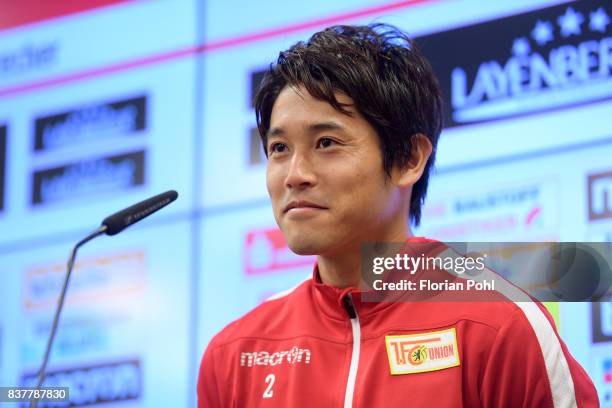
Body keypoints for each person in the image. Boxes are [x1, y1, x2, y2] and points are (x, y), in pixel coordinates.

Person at [197, 23, 599, 407]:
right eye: (279, 148)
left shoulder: (500, 325)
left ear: (409, 159)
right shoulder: (236, 352)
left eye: (326, 142)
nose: (295, 175)